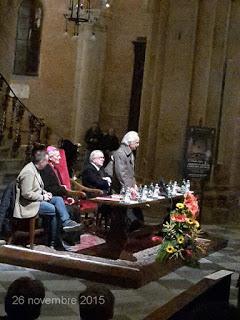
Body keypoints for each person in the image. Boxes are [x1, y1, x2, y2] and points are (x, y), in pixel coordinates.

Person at [14, 149, 82, 248]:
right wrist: (43, 197)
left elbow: (38, 187)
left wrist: (46, 193)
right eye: (46, 161)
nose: (47, 164)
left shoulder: (36, 169)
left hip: (37, 199)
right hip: (29, 203)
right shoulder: (28, 172)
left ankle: (66, 222)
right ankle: (53, 242)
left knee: (58, 199)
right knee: (54, 209)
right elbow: (26, 194)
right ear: (41, 161)